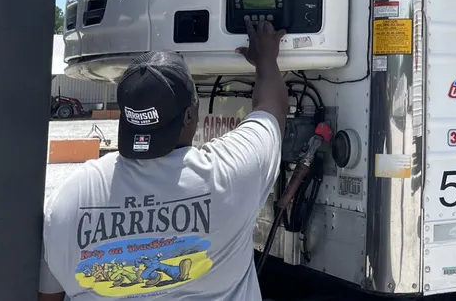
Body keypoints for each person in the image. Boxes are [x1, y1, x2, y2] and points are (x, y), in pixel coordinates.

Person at [39, 19, 288, 300]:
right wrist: (266, 58)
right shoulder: (230, 173)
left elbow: (49, 295)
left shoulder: (68, 199)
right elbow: (272, 109)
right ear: (190, 117)